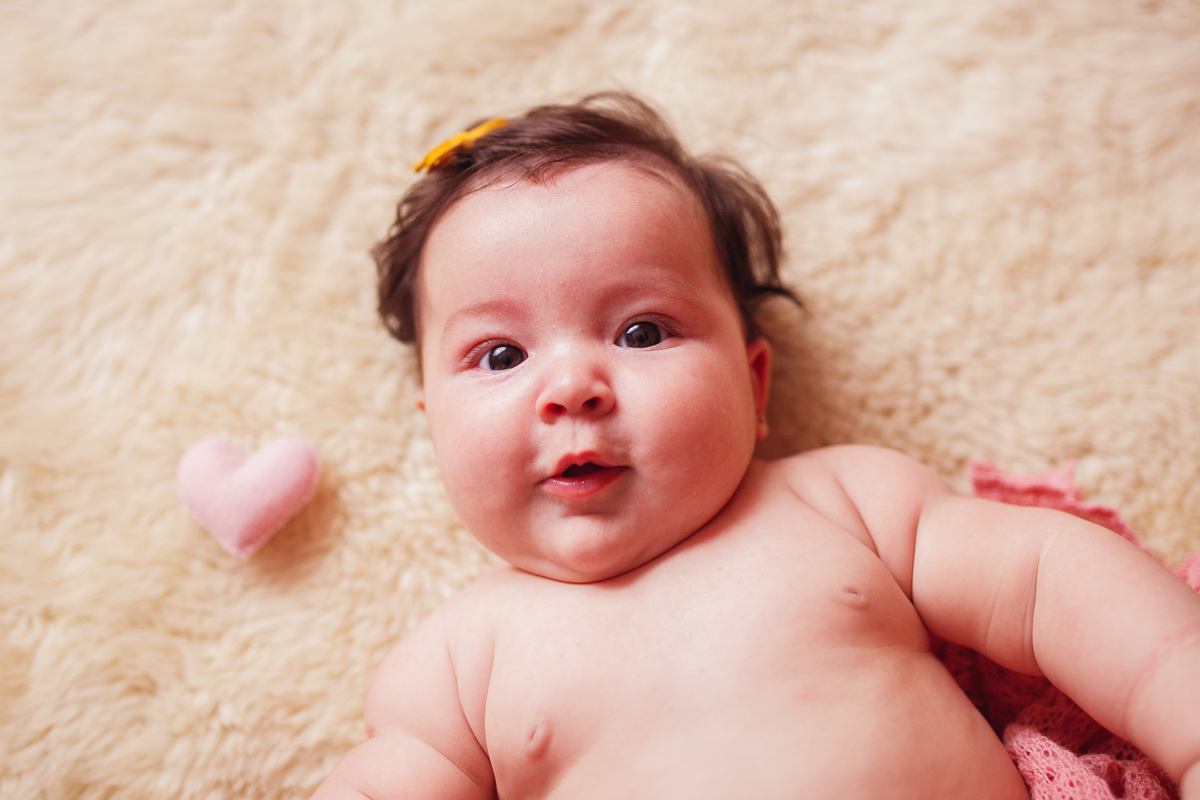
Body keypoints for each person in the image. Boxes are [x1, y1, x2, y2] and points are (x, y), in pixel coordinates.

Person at [313, 93, 1200, 799]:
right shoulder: (456, 664)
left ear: (755, 383)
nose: (572, 386)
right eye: (501, 355)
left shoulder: (843, 504)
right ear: (434, 425)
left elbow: (1052, 580)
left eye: (643, 331)